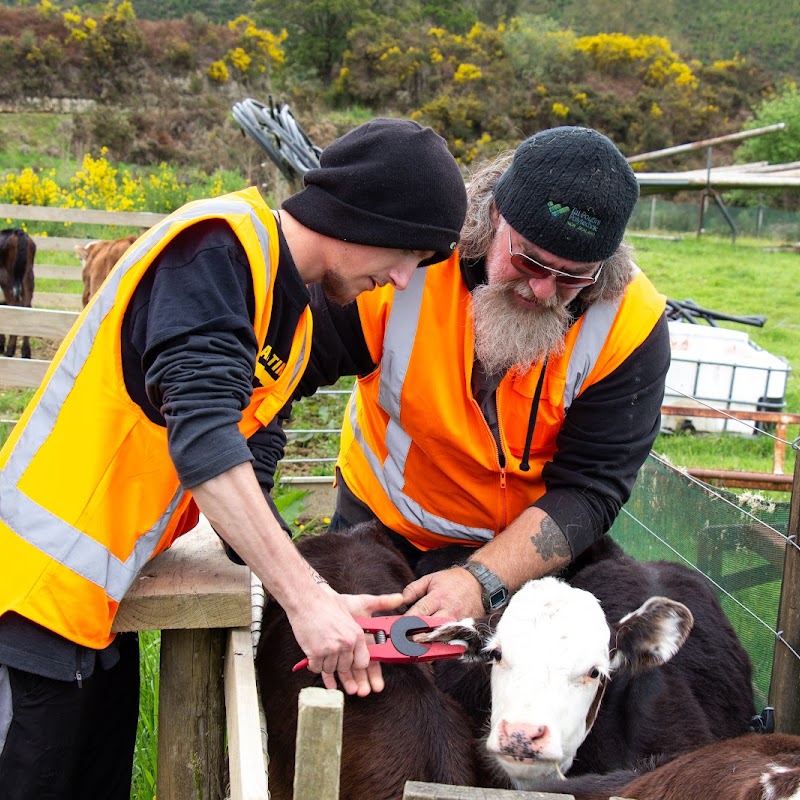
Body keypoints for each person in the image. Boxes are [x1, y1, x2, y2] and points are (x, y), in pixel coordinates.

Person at [0, 117, 467, 799]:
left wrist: (329, 599)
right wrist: (304, 602)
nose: (400, 280)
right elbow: (204, 443)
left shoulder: (296, 319)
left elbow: (245, 474)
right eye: (404, 254)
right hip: (27, 600)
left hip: (99, 607)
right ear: (360, 215)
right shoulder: (217, 250)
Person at [285, 125, 670, 621]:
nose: (543, 290)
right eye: (529, 260)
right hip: (381, 530)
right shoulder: (401, 259)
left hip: (521, 555)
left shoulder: (630, 323)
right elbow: (278, 375)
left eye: (573, 277)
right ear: (492, 217)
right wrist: (262, 534)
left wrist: (482, 577)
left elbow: (593, 487)